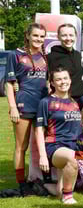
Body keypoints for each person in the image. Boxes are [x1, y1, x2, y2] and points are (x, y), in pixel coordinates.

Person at [5, 23, 48, 195]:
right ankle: (21, 183)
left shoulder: (46, 56)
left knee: (42, 146)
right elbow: (9, 83)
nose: (38, 39)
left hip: (42, 106)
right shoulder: (15, 55)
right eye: (36, 35)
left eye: (42, 36)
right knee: (21, 147)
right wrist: (13, 107)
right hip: (23, 105)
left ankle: (43, 179)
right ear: (28, 36)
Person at [35, 67, 81, 204]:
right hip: (55, 146)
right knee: (74, 158)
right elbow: (39, 130)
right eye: (58, 79)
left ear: (70, 80)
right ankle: (68, 197)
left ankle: (46, 186)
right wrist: (42, 156)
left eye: (65, 78)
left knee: (59, 191)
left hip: (73, 145)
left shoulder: (74, 102)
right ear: (52, 83)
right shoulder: (46, 102)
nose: (62, 82)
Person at [48, 23, 83, 103]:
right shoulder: (51, 57)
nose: (68, 38)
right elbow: (48, 80)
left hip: (80, 99)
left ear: (76, 36)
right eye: (64, 35)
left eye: (71, 35)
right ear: (58, 37)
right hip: (61, 100)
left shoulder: (77, 55)